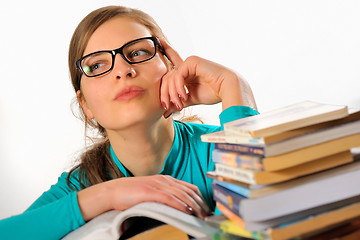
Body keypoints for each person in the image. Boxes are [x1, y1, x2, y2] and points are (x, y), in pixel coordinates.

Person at [0, 5, 258, 239]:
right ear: (86, 105)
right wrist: (109, 194)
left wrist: (234, 87)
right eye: (97, 65)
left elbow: (267, 211)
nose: (122, 70)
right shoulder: (80, 185)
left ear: (170, 69)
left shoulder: (220, 147)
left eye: (137, 52)